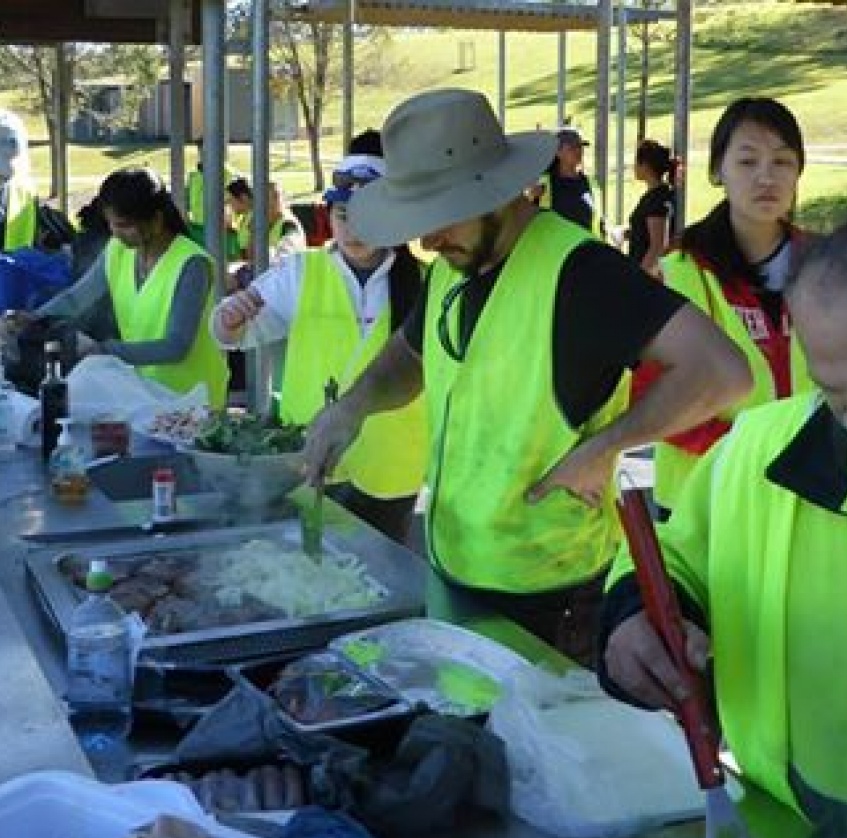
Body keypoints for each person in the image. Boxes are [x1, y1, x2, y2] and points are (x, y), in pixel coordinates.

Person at [302, 89, 751, 666]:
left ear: (496, 191)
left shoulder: (583, 272)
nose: (428, 241)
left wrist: (607, 445)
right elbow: (411, 356)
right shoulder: (455, 264)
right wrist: (354, 406)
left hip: (553, 599)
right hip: (458, 570)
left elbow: (722, 372)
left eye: (439, 218)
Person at [600, 214, 847, 838]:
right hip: (785, 834)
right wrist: (636, 619)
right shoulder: (760, 448)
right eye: (836, 393)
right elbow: (673, 558)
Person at [211, 145, 426, 544]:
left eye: (367, 219)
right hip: (309, 461)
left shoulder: (425, 282)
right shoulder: (299, 272)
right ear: (329, 216)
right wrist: (230, 320)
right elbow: (238, 334)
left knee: (377, 576)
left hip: (392, 468)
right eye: (343, 217)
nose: (353, 231)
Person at [641, 97, 813, 515]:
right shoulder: (679, 272)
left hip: (804, 501)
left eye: (783, 162)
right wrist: (752, 454)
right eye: (748, 162)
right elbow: (649, 396)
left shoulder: (828, 265)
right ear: (718, 170)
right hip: (704, 502)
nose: (766, 178)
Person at [14, 168, 227, 406]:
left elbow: (176, 346)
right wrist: (33, 318)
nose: (115, 233)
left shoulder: (191, 264)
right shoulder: (117, 251)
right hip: (144, 393)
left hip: (192, 399)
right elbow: (76, 299)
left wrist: (103, 350)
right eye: (111, 225)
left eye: (124, 225)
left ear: (156, 220)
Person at [0, 108, 72, 253]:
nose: (13, 150)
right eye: (5, 142)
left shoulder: (23, 191)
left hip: (16, 272)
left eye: (15, 142)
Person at [225, 178, 307, 286]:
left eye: (273, 199)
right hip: (265, 277)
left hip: (282, 281)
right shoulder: (263, 222)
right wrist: (254, 234)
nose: (261, 206)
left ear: (280, 201)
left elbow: (283, 261)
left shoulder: (288, 225)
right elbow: (251, 258)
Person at [531, 127, 604, 238]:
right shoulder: (542, 183)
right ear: (558, 152)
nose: (578, 151)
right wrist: (532, 196)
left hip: (587, 249)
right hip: (556, 251)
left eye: (580, 147)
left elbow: (598, 221)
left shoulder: (591, 183)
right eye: (572, 147)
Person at [626, 139, 676, 275]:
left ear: (646, 166)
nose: (634, 166)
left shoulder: (656, 200)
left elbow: (658, 245)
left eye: (637, 162)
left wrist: (639, 278)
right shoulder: (661, 194)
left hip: (650, 278)